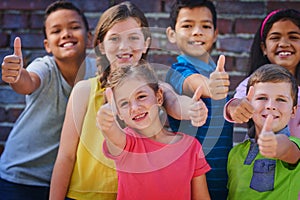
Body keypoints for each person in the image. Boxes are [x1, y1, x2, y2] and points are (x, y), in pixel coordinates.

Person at [49, 2, 207, 199]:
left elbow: (175, 103)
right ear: (101, 46)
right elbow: (66, 156)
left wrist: (192, 109)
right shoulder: (85, 90)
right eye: (114, 38)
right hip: (83, 195)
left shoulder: (153, 90)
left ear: (146, 43)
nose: (124, 46)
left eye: (133, 37)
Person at [0, 1, 96, 199]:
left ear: (89, 38)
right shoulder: (45, 67)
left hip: (64, 179)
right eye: (56, 31)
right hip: (21, 175)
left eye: (74, 27)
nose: (66, 34)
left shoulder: (98, 72)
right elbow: (29, 81)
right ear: (47, 46)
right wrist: (17, 76)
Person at [97, 61, 211, 200]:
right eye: (124, 103)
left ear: (158, 97)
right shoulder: (126, 145)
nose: (135, 107)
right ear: (119, 113)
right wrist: (106, 123)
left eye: (141, 96)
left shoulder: (191, 147)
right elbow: (112, 133)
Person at [165, 0, 233, 199]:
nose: (197, 32)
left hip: (222, 177)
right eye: (187, 25)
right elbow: (193, 83)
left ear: (215, 33)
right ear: (171, 34)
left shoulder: (216, 73)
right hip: (191, 179)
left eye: (205, 26)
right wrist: (211, 86)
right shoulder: (177, 71)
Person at [227, 64, 300, 200]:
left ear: (293, 111)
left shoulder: (294, 145)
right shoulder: (235, 153)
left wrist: (274, 143)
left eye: (281, 99)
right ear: (248, 104)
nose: (271, 106)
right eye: (262, 98)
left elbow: (286, 149)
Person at [224, 9, 300, 137]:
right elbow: (237, 102)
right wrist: (236, 107)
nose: (284, 43)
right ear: (264, 48)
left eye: (293, 37)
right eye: (275, 38)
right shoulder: (255, 82)